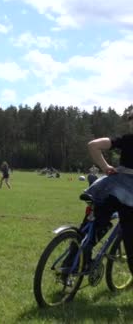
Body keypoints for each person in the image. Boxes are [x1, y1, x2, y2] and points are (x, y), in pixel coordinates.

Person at [67, 113, 133, 275]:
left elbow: (93, 145)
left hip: (107, 188)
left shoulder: (125, 140)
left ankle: (71, 266)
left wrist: (105, 167)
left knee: (89, 228)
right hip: (129, 196)